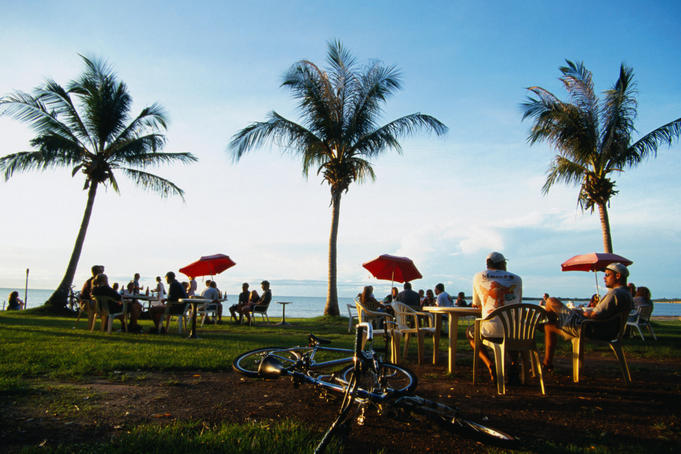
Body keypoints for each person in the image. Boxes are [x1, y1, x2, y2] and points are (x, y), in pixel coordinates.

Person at [542, 263, 633, 371]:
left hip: (590, 329)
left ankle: (548, 328)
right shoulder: (626, 294)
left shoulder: (615, 294)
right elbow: (602, 313)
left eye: (607, 275)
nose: (604, 278)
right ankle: (547, 360)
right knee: (549, 326)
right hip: (607, 331)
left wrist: (581, 313)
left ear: (617, 276)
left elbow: (595, 315)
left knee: (550, 301)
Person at [467, 251, 522, 382]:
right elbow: (517, 302)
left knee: (470, 332)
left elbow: (477, 304)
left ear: (487, 265)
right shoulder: (517, 279)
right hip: (516, 331)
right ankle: (514, 364)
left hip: (490, 331)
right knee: (510, 328)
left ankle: (490, 364)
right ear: (503, 264)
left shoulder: (479, 276)